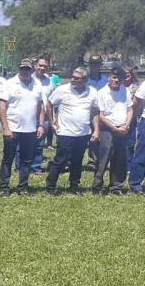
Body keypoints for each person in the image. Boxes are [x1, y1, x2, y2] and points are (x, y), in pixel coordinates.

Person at [0, 58, 45, 196]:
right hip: (13, 129)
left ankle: (22, 187)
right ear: (19, 69)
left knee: (26, 160)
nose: (24, 71)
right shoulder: (10, 83)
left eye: (27, 69)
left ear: (32, 70)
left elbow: (40, 106)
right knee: (8, 159)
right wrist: (5, 128)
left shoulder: (37, 84)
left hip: (30, 129)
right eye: (22, 69)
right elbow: (2, 106)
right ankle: (4, 188)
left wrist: (41, 125)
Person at [45, 67, 97, 195]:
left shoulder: (92, 92)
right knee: (60, 160)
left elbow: (95, 112)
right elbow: (49, 104)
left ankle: (74, 185)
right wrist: (52, 122)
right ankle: (51, 186)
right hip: (65, 132)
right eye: (73, 77)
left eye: (77, 78)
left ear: (85, 80)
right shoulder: (62, 90)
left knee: (77, 160)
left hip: (83, 132)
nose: (73, 80)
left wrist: (96, 130)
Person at [92, 67, 133, 195]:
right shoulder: (102, 92)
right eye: (114, 77)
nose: (116, 80)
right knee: (103, 159)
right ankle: (97, 186)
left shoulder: (125, 91)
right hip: (108, 130)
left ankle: (116, 187)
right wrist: (114, 128)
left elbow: (130, 110)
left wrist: (126, 126)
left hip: (123, 129)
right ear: (109, 77)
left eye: (119, 78)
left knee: (120, 158)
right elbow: (101, 115)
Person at [29, 55, 56, 173]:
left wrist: (53, 117)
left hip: (44, 117)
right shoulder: (28, 78)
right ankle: (21, 167)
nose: (42, 68)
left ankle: (36, 166)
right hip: (29, 116)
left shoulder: (49, 81)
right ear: (35, 65)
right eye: (40, 65)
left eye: (45, 66)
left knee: (39, 144)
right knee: (25, 143)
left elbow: (52, 101)